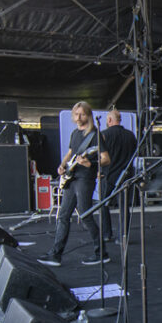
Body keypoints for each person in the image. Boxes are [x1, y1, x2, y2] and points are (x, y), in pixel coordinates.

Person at [39, 101, 111, 266]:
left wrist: (90, 164)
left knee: (85, 216)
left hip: (85, 179)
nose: (78, 118)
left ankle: (101, 253)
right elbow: (70, 153)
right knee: (63, 216)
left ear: (88, 115)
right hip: (72, 178)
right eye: (76, 114)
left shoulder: (94, 134)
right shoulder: (75, 133)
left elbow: (106, 159)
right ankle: (55, 254)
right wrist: (62, 165)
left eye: (82, 114)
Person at [98, 108, 137, 243]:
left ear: (109, 120)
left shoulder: (103, 135)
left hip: (108, 175)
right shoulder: (131, 135)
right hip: (126, 176)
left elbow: (100, 157)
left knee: (103, 204)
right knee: (124, 207)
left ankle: (106, 234)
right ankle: (123, 236)